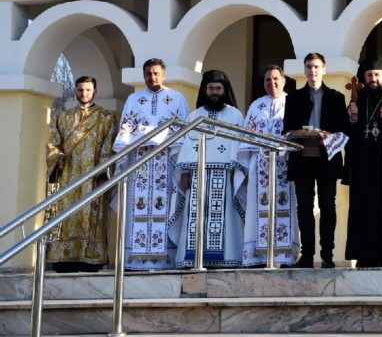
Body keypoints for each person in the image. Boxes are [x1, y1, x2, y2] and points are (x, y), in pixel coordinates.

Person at [113, 58, 189, 270]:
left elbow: (183, 131)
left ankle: (166, 259)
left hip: (167, 163)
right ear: (144, 75)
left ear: (163, 74)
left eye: (156, 73)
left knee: (166, 208)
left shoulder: (176, 98)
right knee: (137, 209)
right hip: (139, 164)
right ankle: (135, 259)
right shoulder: (133, 99)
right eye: (148, 74)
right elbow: (125, 131)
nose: (152, 77)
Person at [172, 70, 244, 268]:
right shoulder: (195, 115)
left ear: (224, 90)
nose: (214, 92)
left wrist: (236, 175)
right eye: (211, 88)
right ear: (205, 90)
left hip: (225, 176)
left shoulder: (235, 115)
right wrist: (185, 173)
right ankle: (193, 259)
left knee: (225, 217)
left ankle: (227, 258)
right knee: (196, 216)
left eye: (218, 89)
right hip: (197, 175)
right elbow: (187, 146)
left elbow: (240, 148)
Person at [45, 76, 117, 272]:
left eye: (87, 90)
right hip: (68, 176)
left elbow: (108, 147)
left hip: (93, 178)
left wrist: (103, 173)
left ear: (95, 91)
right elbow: (54, 143)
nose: (84, 93)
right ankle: (64, 258)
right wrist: (56, 157)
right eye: (80, 90)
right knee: (66, 216)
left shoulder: (106, 117)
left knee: (91, 218)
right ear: (75, 91)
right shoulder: (64, 117)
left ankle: (91, 259)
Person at [283, 53, 349, 268]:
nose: (313, 71)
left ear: (324, 69)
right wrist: (299, 133)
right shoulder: (293, 98)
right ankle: (307, 256)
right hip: (302, 158)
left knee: (328, 206)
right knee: (304, 207)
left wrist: (327, 136)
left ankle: (327, 255)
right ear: (304, 70)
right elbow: (286, 129)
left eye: (316, 66)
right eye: (309, 67)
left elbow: (344, 131)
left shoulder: (336, 97)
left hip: (326, 159)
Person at [343, 57, 382, 267]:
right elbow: (348, 136)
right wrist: (351, 120)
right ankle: (365, 255)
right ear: (363, 78)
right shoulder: (357, 103)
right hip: (363, 170)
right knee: (363, 213)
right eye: (369, 75)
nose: (373, 79)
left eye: (377, 75)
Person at [238, 65, 300, 267]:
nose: (271, 83)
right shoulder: (256, 106)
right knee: (259, 208)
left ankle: (286, 257)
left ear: (283, 81)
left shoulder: (292, 102)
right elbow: (246, 138)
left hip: (286, 165)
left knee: (288, 207)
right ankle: (259, 255)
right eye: (267, 80)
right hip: (260, 167)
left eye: (275, 79)